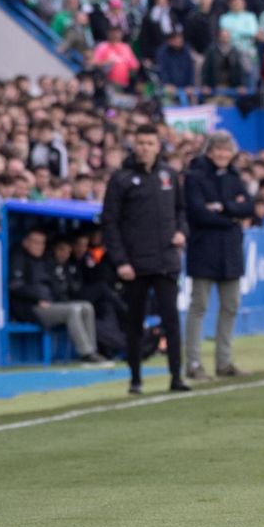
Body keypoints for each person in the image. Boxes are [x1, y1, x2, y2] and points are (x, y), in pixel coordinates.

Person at [102, 126, 189, 395]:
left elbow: (181, 211)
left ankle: (176, 376)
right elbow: (110, 223)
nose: (144, 147)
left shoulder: (169, 175)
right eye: (140, 142)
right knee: (134, 322)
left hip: (165, 261)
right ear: (134, 145)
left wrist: (181, 232)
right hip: (135, 265)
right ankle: (135, 378)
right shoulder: (121, 179)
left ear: (158, 146)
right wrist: (121, 261)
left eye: (149, 142)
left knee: (171, 321)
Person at [183, 132, 251, 381]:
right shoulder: (195, 176)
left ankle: (224, 361)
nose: (223, 154)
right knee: (199, 306)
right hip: (204, 248)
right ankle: (193, 363)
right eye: (218, 150)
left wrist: (224, 207)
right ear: (209, 151)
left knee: (231, 305)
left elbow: (248, 206)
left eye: (227, 150)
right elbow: (198, 212)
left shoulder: (234, 176)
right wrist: (230, 215)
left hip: (230, 250)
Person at [9, 227, 108, 363]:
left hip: (51, 303)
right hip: (30, 308)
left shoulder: (44, 260)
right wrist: (36, 299)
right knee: (72, 311)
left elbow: (53, 285)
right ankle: (86, 354)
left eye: (42, 243)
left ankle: (93, 350)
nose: (39, 246)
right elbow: (14, 286)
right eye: (35, 242)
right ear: (26, 242)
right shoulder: (18, 258)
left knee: (86, 306)